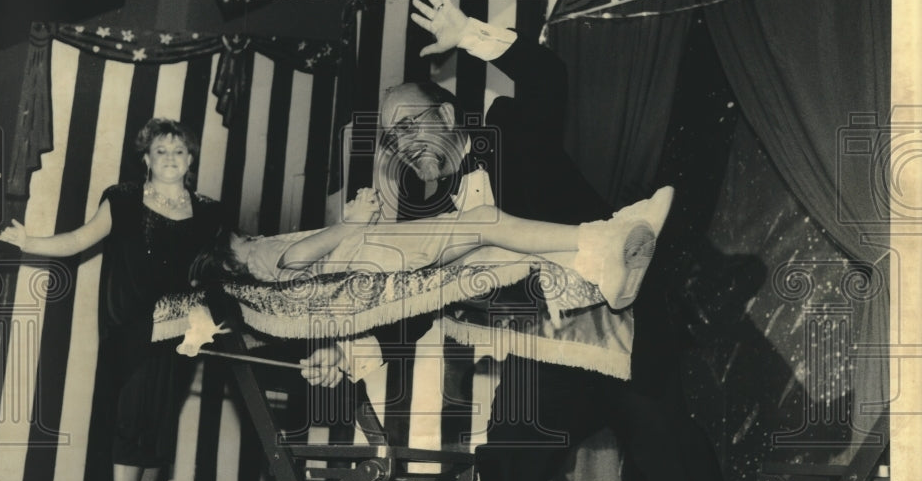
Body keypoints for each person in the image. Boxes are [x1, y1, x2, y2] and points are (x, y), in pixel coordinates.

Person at [302, 0, 742, 481]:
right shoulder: (429, 219)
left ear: (445, 115)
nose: (403, 146)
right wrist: (346, 351)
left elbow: (547, 76)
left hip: (621, 329)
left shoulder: (509, 133)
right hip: (548, 354)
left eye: (410, 125)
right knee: (506, 462)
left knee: (676, 469)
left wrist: (467, 35)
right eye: (392, 139)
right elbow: (411, 308)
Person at [0, 118, 224, 481]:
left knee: (159, 427)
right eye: (160, 151)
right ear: (146, 159)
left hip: (182, 333)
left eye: (179, 151)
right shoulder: (121, 200)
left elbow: (225, 266)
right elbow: (79, 239)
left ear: (191, 159)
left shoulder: (211, 211)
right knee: (130, 420)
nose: (170, 158)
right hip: (130, 330)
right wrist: (30, 241)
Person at [198, 185, 673, 310]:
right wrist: (350, 223)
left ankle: (600, 271)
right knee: (486, 221)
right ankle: (605, 237)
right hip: (377, 252)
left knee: (490, 249)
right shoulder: (252, 255)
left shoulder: (250, 258)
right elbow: (296, 261)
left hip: (376, 254)